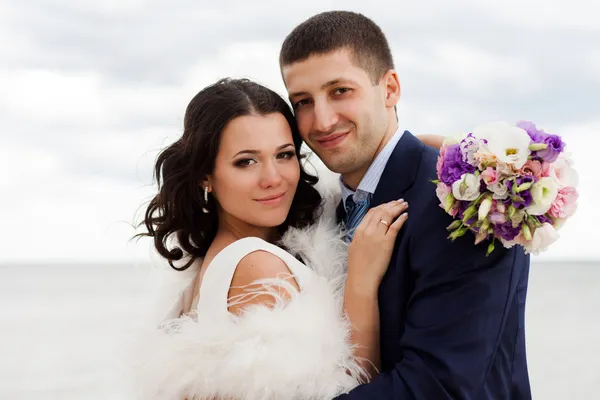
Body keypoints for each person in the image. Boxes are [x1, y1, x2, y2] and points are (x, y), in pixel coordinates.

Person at [130, 78, 443, 400]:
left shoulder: (212, 261)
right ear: (205, 176)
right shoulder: (256, 266)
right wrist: (361, 281)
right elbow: (346, 388)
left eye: (284, 155)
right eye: (246, 161)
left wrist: (414, 156)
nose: (273, 179)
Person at [279, 10, 532, 399]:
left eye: (340, 91)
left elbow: (436, 386)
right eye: (303, 102)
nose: (323, 120)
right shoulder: (314, 213)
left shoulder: (463, 203)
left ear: (390, 89)